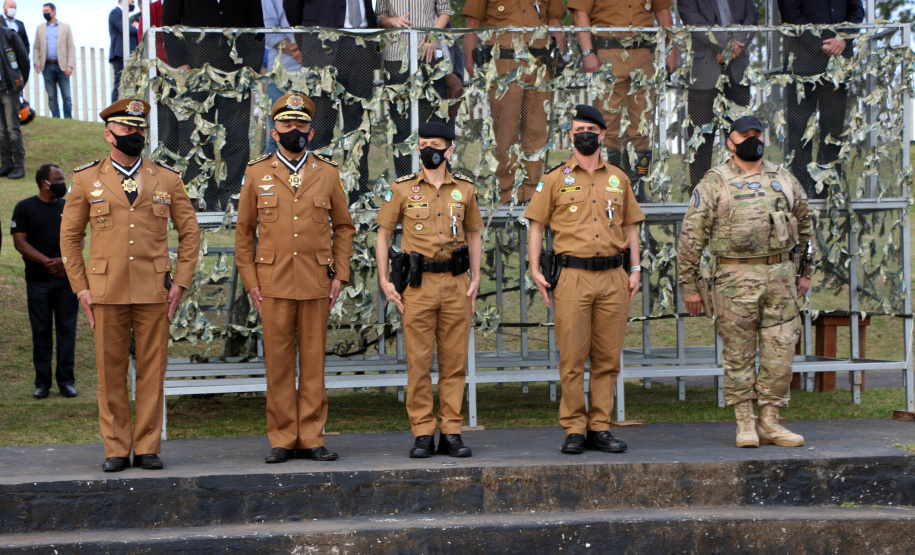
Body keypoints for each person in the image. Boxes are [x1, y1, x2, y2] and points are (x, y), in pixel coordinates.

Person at [59, 98, 201, 472]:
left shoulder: (166, 178)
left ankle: (148, 447)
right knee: (110, 373)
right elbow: (69, 237)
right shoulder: (86, 179)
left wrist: (181, 281)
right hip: (106, 290)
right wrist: (81, 287)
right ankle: (116, 449)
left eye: (139, 128)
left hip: (155, 290)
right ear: (110, 135)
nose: (135, 134)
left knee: (152, 371)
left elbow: (190, 232)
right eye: (127, 129)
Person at [677, 115, 816, 448]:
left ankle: (770, 422)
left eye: (757, 133)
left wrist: (806, 272)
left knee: (780, 353)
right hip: (734, 280)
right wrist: (689, 286)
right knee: (738, 355)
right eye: (745, 134)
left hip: (781, 280)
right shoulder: (714, 182)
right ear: (730, 142)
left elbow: (806, 226)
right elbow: (691, 237)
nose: (752, 139)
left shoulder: (783, 178)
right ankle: (744, 423)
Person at [235, 93, 355, 464]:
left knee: (314, 363)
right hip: (272, 282)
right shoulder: (257, 173)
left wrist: (339, 274)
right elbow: (244, 232)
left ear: (311, 131)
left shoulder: (327, 173)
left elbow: (344, 227)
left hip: (317, 280)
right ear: (274, 132)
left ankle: (312, 437)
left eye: (301, 125)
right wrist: (251, 281)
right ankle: (283, 438)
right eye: (287, 125)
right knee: (279, 364)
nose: (295, 131)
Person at [526, 105, 643, 455]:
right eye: (578, 130)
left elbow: (630, 226)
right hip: (572, 277)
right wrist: (534, 268)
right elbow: (536, 225)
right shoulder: (554, 179)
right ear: (571, 135)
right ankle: (575, 427)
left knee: (607, 358)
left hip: (613, 277)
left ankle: (600, 426)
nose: (585, 135)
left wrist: (636, 268)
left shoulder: (619, 178)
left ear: (603, 134)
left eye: (591, 129)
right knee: (573, 358)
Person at [375, 122, 483, 458]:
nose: (427, 150)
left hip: (455, 283)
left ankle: (451, 432)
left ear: (449, 150)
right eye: (422, 144)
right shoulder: (403, 188)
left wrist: (476, 277)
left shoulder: (465, 189)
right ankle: (423, 432)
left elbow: (474, 234)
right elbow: (383, 233)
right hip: (418, 285)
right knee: (419, 363)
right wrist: (384, 279)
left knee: (454, 363)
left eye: (435, 144)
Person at [568, 0, 678, 202]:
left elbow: (662, 10)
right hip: (608, 52)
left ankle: (636, 188)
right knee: (606, 126)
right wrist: (587, 52)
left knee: (642, 126)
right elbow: (580, 12)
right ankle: (609, 187)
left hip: (644, 54)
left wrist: (672, 48)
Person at [162, 0, 265, 210]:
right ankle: (200, 197)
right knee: (196, 136)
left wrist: (250, 67)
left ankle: (233, 197)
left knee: (236, 137)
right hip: (195, 71)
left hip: (236, 74)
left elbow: (257, 29)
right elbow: (169, 24)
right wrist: (180, 63)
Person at [462, 0, 566, 204]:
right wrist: (469, 59)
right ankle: (506, 194)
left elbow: (554, 21)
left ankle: (532, 193)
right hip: (504, 61)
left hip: (540, 62)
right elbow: (472, 23)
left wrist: (560, 56)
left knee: (537, 130)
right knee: (505, 131)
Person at [287, 0, 380, 206]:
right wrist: (305, 44)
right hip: (320, 47)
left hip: (361, 46)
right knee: (320, 128)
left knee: (359, 128)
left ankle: (358, 195)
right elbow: (292, 7)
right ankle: (320, 195)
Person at [780, 0, 864, 199]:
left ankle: (827, 191)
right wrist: (819, 44)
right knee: (799, 128)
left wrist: (842, 39)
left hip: (837, 63)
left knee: (833, 127)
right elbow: (790, 12)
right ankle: (801, 191)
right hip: (802, 59)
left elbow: (856, 11)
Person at [11, 164, 79, 400]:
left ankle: (66, 381)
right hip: (38, 282)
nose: (62, 183)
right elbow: (20, 243)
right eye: (57, 179)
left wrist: (63, 261)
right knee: (40, 332)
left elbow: (78, 239)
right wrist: (47, 262)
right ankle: (42, 383)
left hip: (66, 282)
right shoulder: (25, 208)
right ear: (44, 183)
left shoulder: (68, 207)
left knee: (67, 331)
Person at [677, 0, 757, 188]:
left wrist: (734, 47)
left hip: (738, 71)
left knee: (742, 138)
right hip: (704, 72)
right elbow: (691, 19)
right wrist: (725, 45)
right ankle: (701, 195)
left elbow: (752, 17)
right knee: (700, 142)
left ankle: (740, 192)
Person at [376, 0, 452, 178]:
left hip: (429, 55)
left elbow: (445, 10)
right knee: (401, 123)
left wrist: (432, 35)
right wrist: (392, 21)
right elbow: (380, 17)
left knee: (432, 122)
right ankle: (405, 181)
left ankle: (435, 180)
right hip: (396, 57)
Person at [262, 0, 304, 155]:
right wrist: (296, 51)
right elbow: (268, 29)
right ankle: (270, 171)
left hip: (312, 75)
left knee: (309, 133)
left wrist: (308, 53)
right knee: (277, 134)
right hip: (281, 74)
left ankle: (306, 171)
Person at [33, 3, 75, 119]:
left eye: (47, 11)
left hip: (62, 66)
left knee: (66, 96)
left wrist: (70, 65)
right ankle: (56, 118)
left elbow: (71, 47)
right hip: (47, 66)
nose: (45, 13)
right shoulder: (40, 28)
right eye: (43, 11)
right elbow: (36, 47)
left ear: (53, 11)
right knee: (51, 96)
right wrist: (36, 61)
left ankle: (68, 119)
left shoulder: (65, 27)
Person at [0, 17, 28, 178]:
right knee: (1, 130)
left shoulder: (9, 35)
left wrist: (19, 84)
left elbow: (23, 59)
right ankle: (6, 164)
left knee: (12, 128)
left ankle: (18, 165)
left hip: (10, 88)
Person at [109, 0, 140, 103]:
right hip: (120, 55)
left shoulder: (124, 16)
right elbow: (125, 29)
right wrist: (136, 27)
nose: (133, 4)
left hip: (127, 55)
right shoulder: (116, 13)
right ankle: (114, 110)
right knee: (119, 83)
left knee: (127, 84)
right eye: (132, 1)